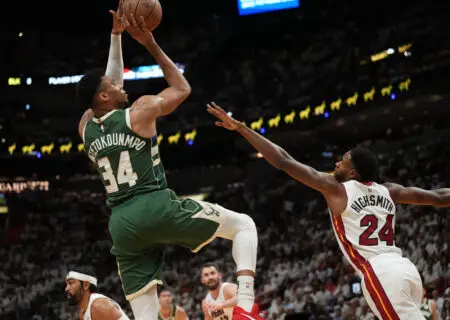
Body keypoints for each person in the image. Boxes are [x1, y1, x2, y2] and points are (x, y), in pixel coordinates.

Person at [75, 7, 262, 320]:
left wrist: (116, 36)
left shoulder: (85, 127)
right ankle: (245, 305)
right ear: (104, 97)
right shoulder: (140, 111)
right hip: (154, 205)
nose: (121, 84)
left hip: (121, 225)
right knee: (244, 225)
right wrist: (149, 42)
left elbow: (108, 87)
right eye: (112, 85)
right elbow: (182, 88)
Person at [207, 102, 450, 320]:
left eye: (343, 160)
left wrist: (241, 128)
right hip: (406, 268)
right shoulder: (390, 191)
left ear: (353, 172)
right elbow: (439, 197)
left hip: (380, 272)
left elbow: (283, 160)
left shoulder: (337, 190)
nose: (337, 162)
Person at [65, 267, 129, 320]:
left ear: (86, 285)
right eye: (67, 284)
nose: (66, 289)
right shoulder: (82, 312)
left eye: (71, 283)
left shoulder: (99, 306)